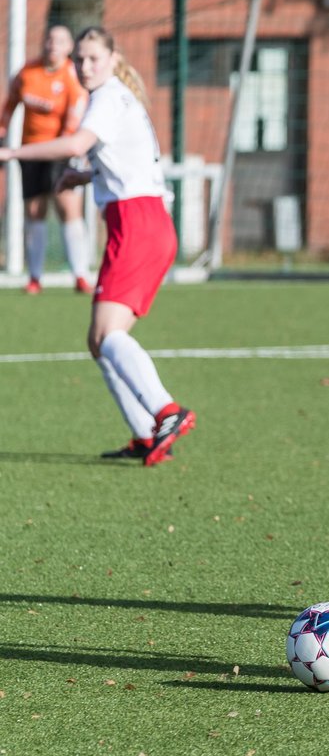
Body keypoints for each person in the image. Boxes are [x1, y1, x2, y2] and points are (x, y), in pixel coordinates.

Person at [0, 27, 195, 466]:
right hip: (138, 222)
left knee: (109, 336)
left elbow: (76, 144)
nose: (85, 67)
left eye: (93, 59)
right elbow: (128, 162)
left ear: (111, 57)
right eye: (80, 60)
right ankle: (147, 434)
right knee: (98, 339)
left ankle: (167, 411)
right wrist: (84, 177)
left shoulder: (107, 97)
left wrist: (13, 154)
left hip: (139, 225)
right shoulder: (118, 96)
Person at [0, 24, 93, 294]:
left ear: (68, 47)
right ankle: (35, 278)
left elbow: (74, 116)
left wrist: (61, 148)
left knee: (68, 208)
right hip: (30, 151)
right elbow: (10, 104)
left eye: (60, 41)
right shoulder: (28, 73)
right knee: (34, 211)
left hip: (60, 151)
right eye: (49, 39)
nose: (53, 45)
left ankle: (81, 275)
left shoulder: (72, 76)